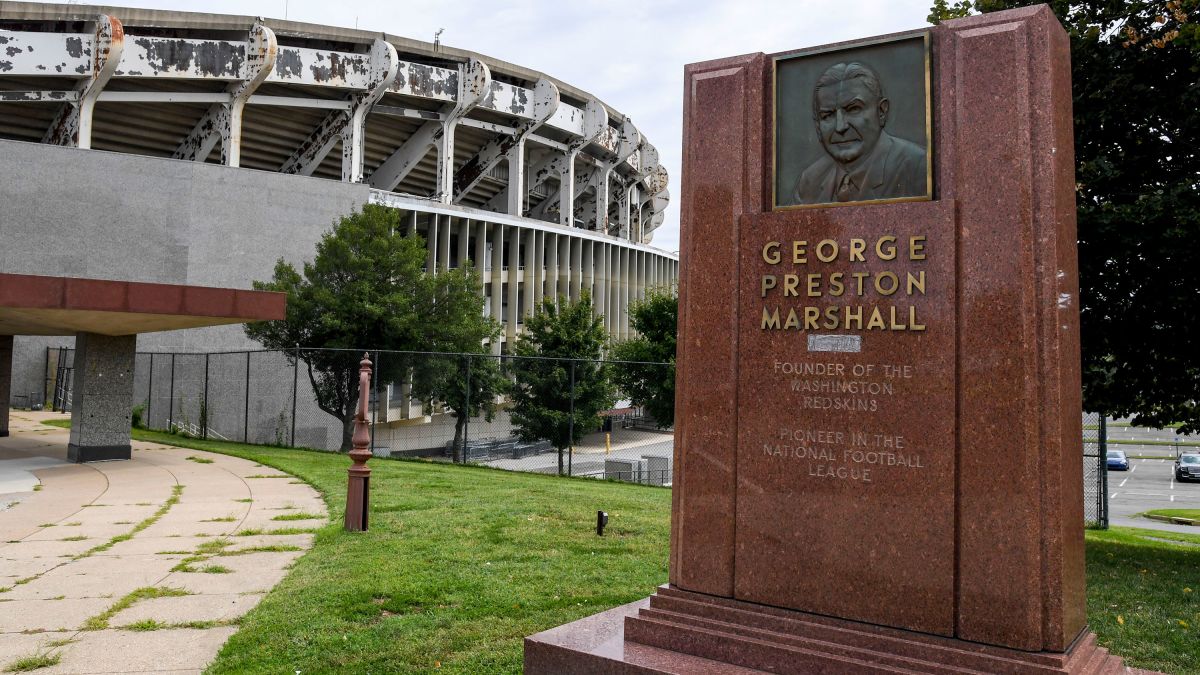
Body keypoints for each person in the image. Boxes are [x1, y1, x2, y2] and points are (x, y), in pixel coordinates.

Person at [793, 62, 926, 205]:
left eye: (853, 109)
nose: (840, 127)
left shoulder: (918, 168)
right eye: (827, 115)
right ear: (818, 126)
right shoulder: (809, 181)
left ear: (881, 112)